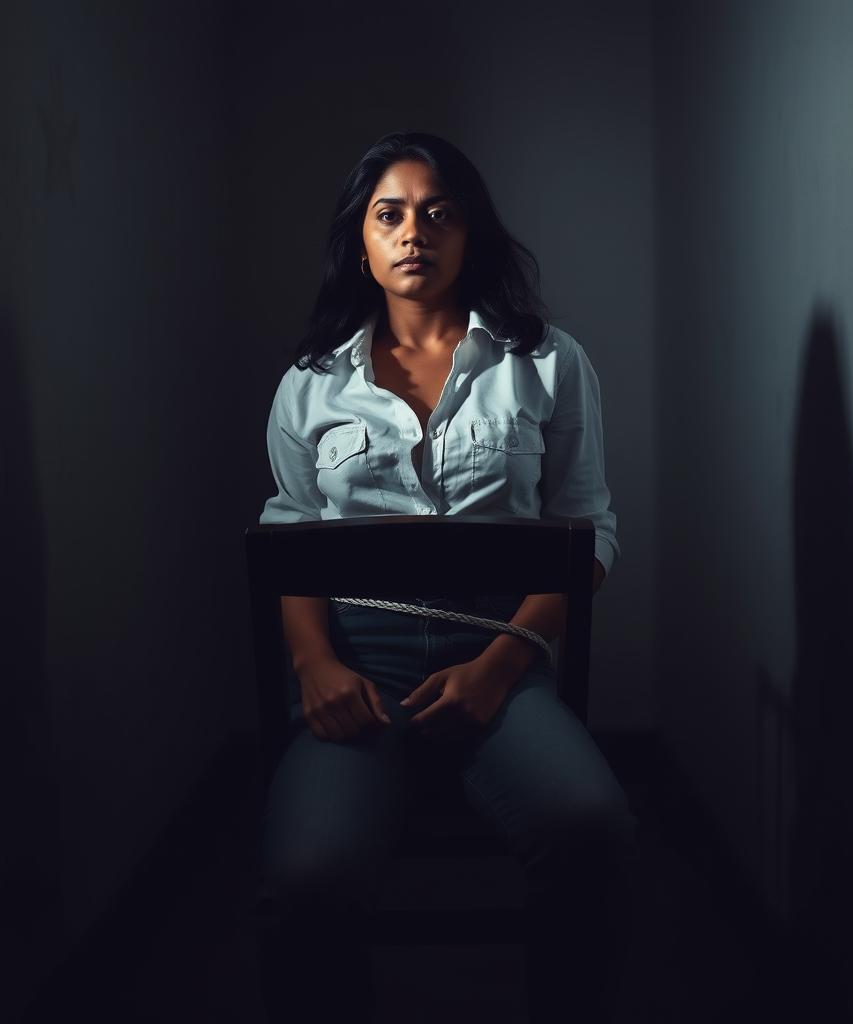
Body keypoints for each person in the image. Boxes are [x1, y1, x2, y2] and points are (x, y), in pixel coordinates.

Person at [252, 130, 640, 1023]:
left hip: (501, 660)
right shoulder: (309, 385)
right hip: (359, 670)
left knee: (594, 834)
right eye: (389, 214)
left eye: (439, 213)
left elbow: (588, 531)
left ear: (472, 235)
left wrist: (501, 667)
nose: (414, 231)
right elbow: (291, 535)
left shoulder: (545, 362)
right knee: (306, 881)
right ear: (362, 241)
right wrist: (315, 665)